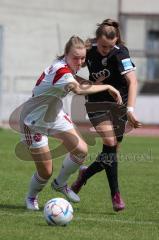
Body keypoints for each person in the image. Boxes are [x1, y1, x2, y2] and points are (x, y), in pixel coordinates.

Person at [18, 35, 122, 210]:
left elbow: (77, 80)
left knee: (81, 150)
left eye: (83, 58)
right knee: (46, 171)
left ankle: (60, 183)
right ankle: (31, 197)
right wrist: (108, 87)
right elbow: (79, 89)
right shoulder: (61, 72)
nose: (80, 62)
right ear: (65, 54)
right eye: (76, 57)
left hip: (55, 115)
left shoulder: (67, 66)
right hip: (33, 121)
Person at [71, 19, 142, 211]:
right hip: (96, 103)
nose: (105, 50)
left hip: (119, 104)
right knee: (109, 144)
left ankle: (84, 175)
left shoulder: (121, 53)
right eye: (103, 46)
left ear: (116, 40)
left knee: (110, 156)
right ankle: (116, 196)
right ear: (96, 40)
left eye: (109, 46)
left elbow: (133, 82)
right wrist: (82, 83)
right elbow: (68, 65)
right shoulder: (88, 49)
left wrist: (130, 110)